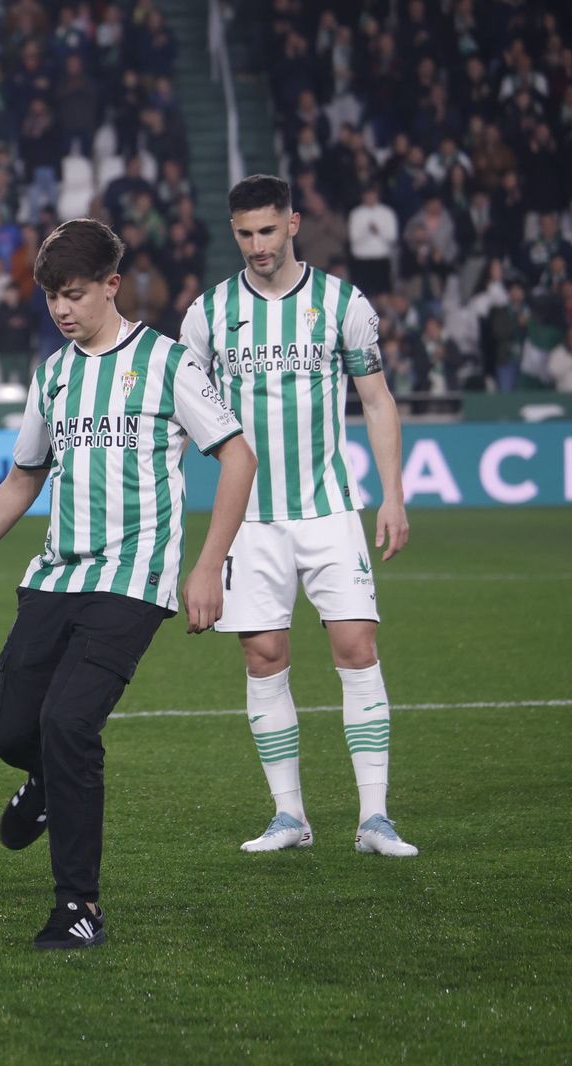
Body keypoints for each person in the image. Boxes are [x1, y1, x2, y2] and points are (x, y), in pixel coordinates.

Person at [0, 218, 257, 949]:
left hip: (132, 582)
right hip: (55, 577)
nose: (62, 309)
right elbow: (25, 477)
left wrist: (208, 564)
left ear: (112, 287)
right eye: (52, 296)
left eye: (75, 294)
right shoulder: (54, 372)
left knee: (68, 725)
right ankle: (49, 786)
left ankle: (78, 907)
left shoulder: (167, 364)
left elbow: (237, 458)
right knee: (9, 726)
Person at [178, 175, 416, 858]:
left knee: (356, 648)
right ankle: (290, 817)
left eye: (267, 230)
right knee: (263, 656)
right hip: (247, 521)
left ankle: (375, 818)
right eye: (244, 233)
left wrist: (392, 496)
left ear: (293, 224)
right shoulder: (210, 313)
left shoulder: (342, 302)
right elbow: (185, 409)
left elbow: (376, 400)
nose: (256, 245)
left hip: (329, 510)